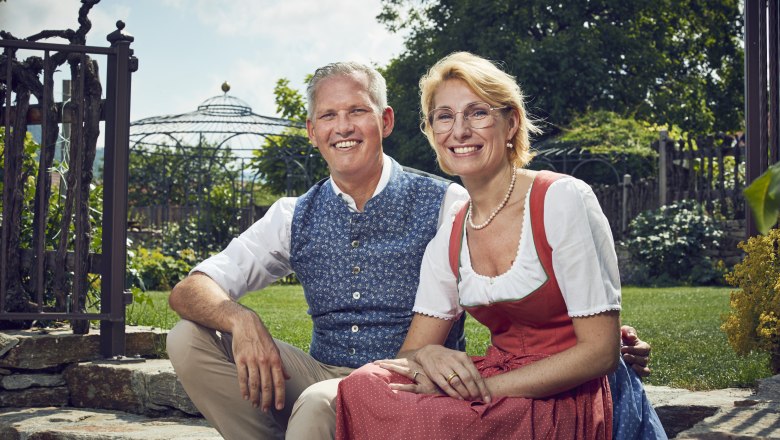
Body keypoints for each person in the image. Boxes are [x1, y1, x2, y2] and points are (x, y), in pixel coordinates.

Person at [166, 60, 653, 440]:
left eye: (357, 111)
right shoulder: (294, 213)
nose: (344, 127)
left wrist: (602, 334)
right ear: (312, 131)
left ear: (386, 120)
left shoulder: (451, 202)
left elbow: (537, 296)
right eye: (328, 116)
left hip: (400, 374)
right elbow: (190, 289)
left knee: (321, 402)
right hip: (341, 370)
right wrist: (240, 319)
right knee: (188, 338)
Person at [335, 52, 666, 439]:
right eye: (444, 117)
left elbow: (600, 353)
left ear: (512, 123)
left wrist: (483, 393)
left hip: (567, 392)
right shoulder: (452, 232)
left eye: (477, 113)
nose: (458, 131)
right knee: (363, 384)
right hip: (499, 379)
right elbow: (409, 354)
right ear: (431, 131)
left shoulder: (560, 199)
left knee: (433, 423)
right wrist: (429, 354)